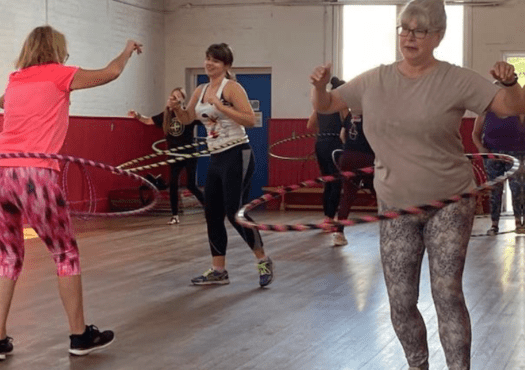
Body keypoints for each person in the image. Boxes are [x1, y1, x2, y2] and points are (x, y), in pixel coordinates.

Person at [310, 0, 525, 369]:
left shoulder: (456, 78)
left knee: (446, 293)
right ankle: (417, 364)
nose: (409, 36)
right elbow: (328, 103)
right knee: (400, 300)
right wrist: (317, 87)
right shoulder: (374, 78)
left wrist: (512, 82)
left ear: (438, 35)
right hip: (395, 205)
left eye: (420, 29)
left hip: (449, 202)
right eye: (404, 28)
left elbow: (509, 106)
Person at [0, 25, 142, 359]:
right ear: (56, 49)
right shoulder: (61, 75)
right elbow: (111, 73)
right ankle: (79, 336)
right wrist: (127, 49)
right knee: (65, 255)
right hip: (34, 172)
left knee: (6, 257)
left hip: (2, 172)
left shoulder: (15, 80)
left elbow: (4, 103)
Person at [170, 43, 274, 287]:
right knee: (212, 213)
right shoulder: (201, 89)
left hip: (237, 153)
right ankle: (219, 270)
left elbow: (249, 119)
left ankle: (263, 259)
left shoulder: (232, 88)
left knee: (234, 211)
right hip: (216, 157)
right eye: (207, 59)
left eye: (215, 61)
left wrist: (221, 106)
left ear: (226, 65)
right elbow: (187, 119)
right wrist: (176, 109)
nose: (209, 64)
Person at [128, 88, 205, 225]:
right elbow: (148, 121)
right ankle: (175, 215)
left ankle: (209, 209)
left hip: (189, 154)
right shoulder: (166, 116)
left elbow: (206, 121)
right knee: (173, 184)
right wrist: (137, 115)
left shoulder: (188, 115)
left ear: (182, 100)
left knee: (191, 185)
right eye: (172, 97)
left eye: (176, 98)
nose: (172, 100)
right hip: (173, 154)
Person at [472, 109, 525, 235]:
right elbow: (475, 134)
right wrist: (481, 148)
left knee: (518, 188)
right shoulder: (485, 112)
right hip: (492, 155)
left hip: (516, 155)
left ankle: (519, 223)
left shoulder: (518, 110)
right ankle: (494, 224)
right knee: (495, 190)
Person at [306, 77, 345, 244]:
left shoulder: (321, 104)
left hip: (320, 144)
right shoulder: (341, 104)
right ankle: (330, 218)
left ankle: (326, 218)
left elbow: (310, 125)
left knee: (327, 181)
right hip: (334, 144)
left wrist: (324, 130)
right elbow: (347, 124)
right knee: (336, 182)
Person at [333, 110, 375, 246]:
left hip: (348, 157)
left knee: (347, 196)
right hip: (368, 157)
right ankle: (392, 227)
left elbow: (342, 136)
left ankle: (338, 233)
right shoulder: (372, 113)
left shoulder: (349, 116)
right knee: (380, 192)